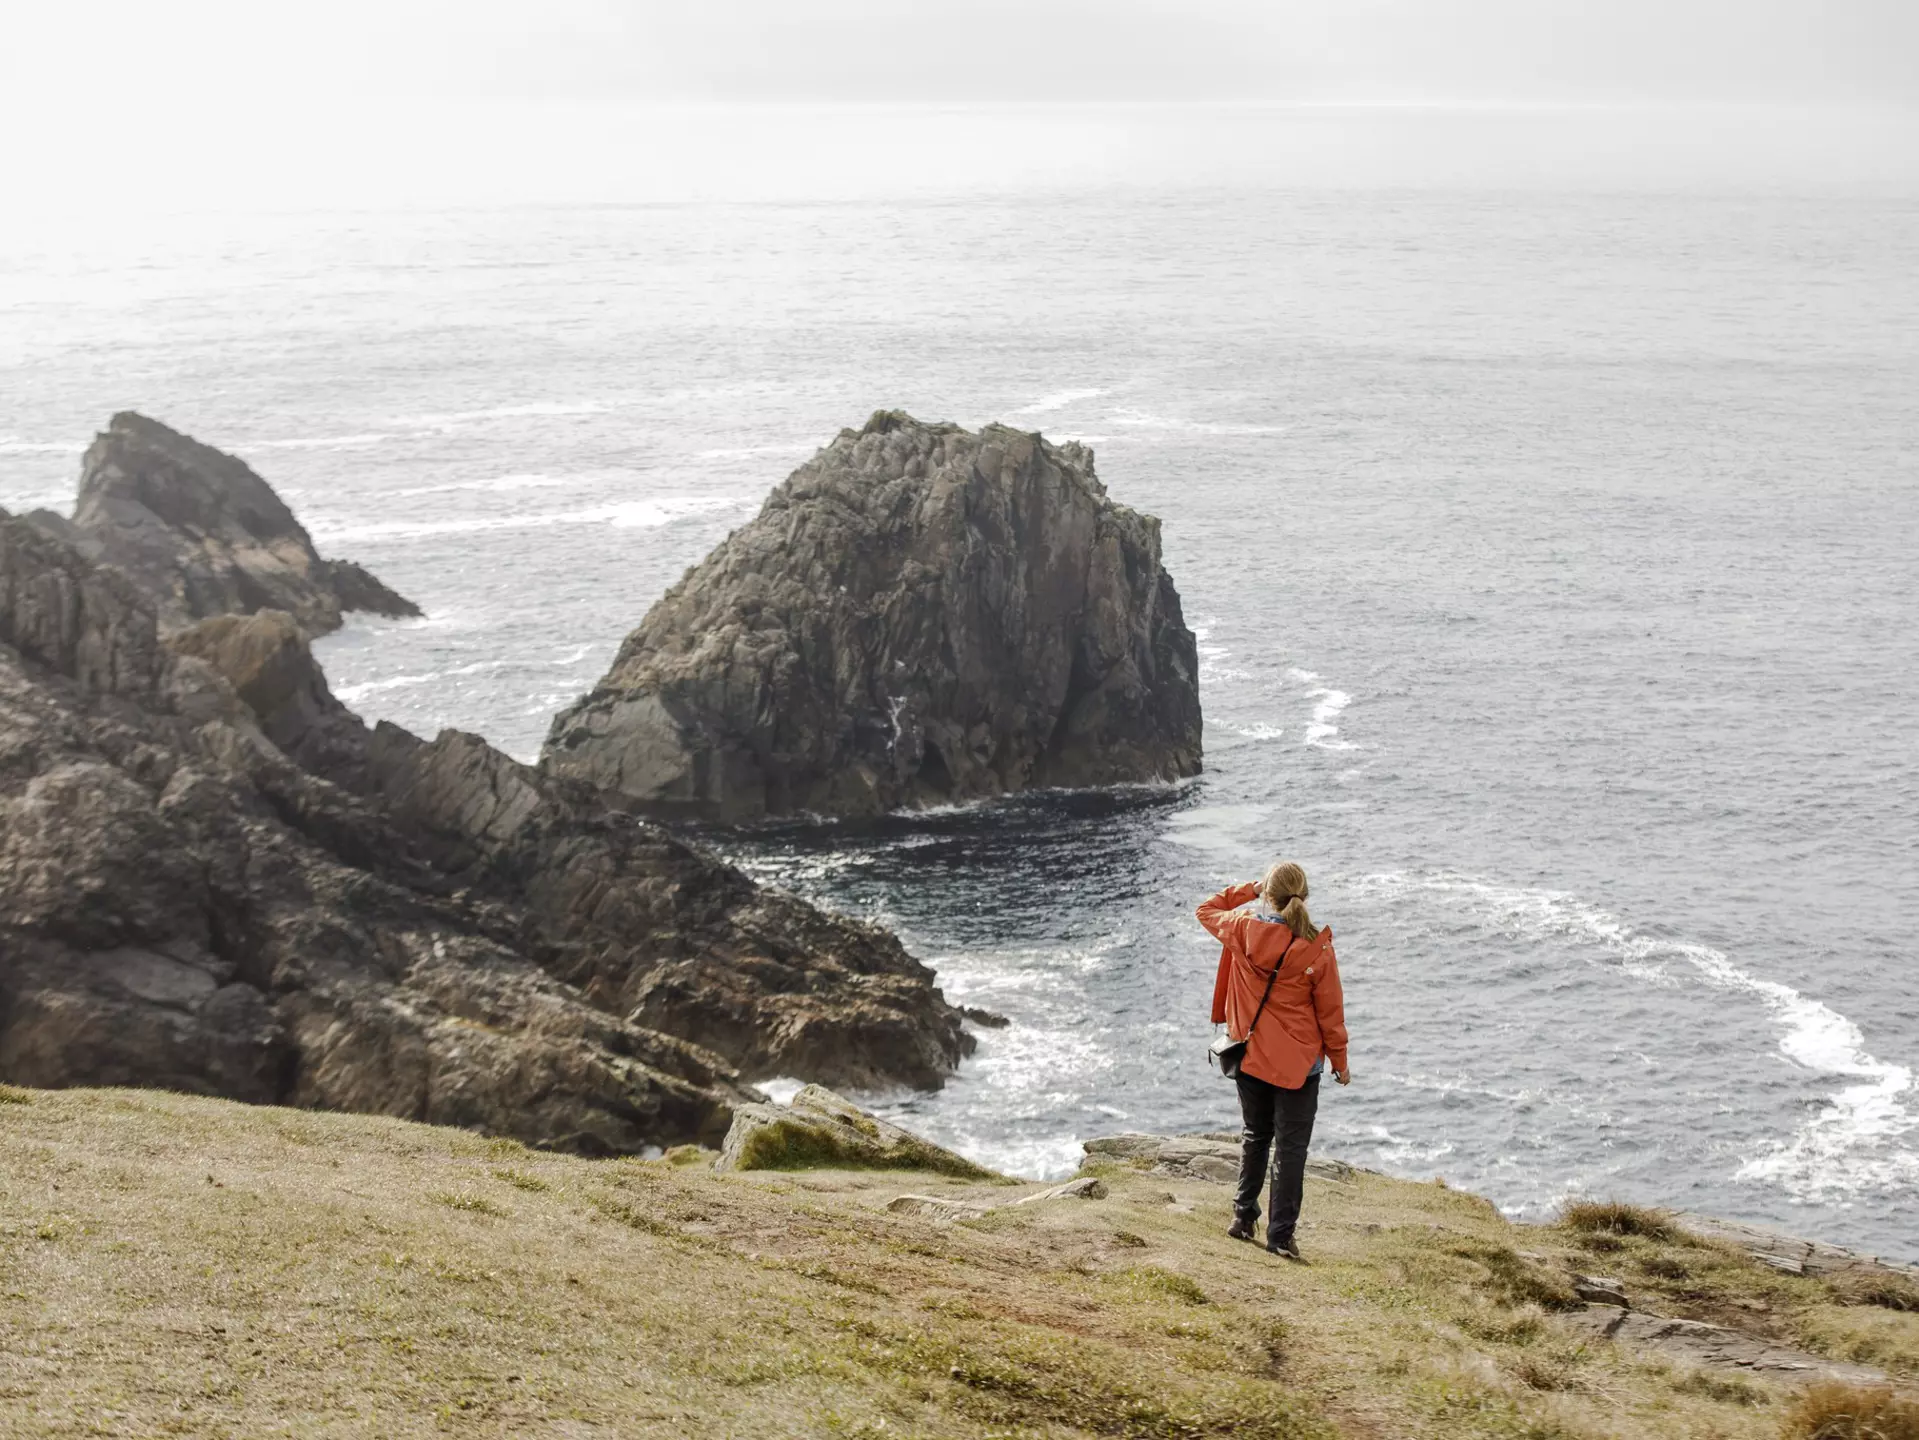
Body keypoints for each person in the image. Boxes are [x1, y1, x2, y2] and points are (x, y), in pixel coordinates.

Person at [1196, 861, 1350, 1260]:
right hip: (1299, 1065)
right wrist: (1340, 1061)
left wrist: (1249, 888)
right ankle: (1280, 1238)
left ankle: (1243, 1218)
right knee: (1291, 1149)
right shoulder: (1317, 949)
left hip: (1249, 1055)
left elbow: (1205, 909)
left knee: (1255, 1136)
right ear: (1305, 896)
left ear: (1270, 894)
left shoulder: (1243, 928)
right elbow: (1330, 1014)